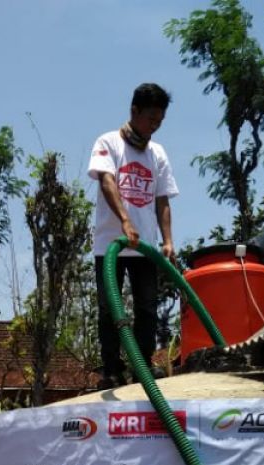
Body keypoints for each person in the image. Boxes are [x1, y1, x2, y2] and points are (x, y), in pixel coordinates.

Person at [88, 82, 179, 390]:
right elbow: (107, 182)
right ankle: (111, 370)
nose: (155, 126)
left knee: (147, 309)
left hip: (145, 248)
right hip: (110, 243)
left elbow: (162, 199)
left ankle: (143, 365)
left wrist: (167, 241)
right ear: (134, 111)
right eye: (151, 118)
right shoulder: (109, 142)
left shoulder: (158, 153)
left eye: (160, 121)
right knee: (109, 308)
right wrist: (125, 221)